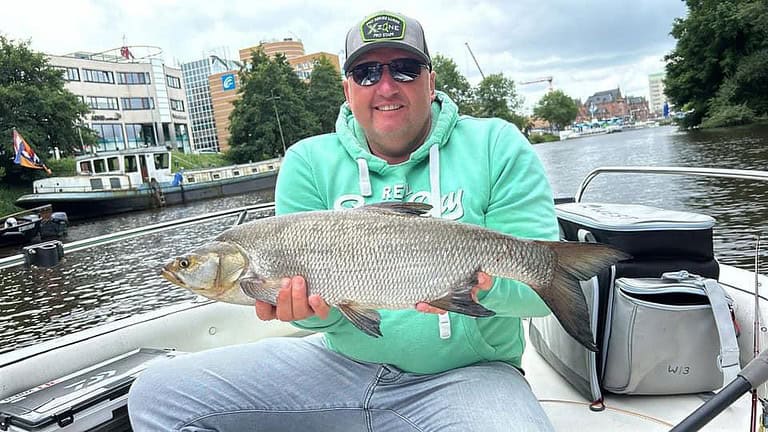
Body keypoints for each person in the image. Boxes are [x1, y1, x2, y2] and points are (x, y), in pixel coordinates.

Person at [128, 10, 558, 431]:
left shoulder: (495, 144)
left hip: (470, 375)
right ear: (348, 89)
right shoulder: (308, 162)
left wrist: (476, 285)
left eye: (405, 69)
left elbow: (539, 298)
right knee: (157, 394)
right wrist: (312, 314)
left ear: (431, 80)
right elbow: (320, 317)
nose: (386, 86)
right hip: (339, 365)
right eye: (367, 73)